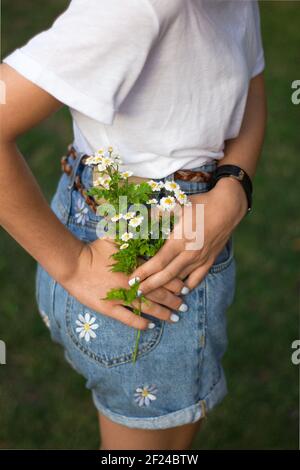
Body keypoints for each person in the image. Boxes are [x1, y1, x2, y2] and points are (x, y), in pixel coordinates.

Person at [0, 0, 267, 450]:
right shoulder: (137, 7)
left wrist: (234, 184)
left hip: (163, 244)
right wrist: (72, 267)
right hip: (140, 272)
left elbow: (250, 82)